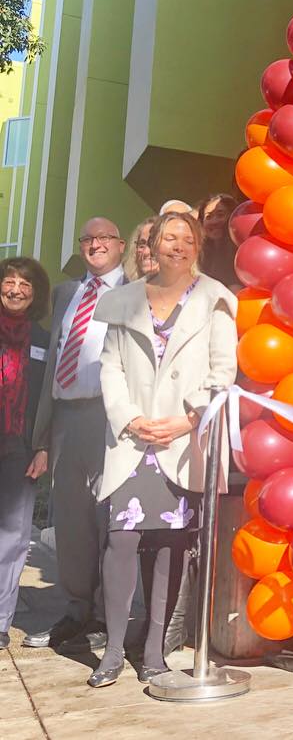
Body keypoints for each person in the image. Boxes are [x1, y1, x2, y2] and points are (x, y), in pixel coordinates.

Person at [87, 211, 237, 687]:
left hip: (180, 439)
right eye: (168, 237)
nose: (177, 245)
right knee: (122, 540)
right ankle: (112, 651)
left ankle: (154, 653)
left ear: (197, 246)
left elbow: (223, 371)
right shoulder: (123, 299)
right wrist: (129, 417)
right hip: (133, 438)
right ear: (150, 243)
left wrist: (188, 419)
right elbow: (109, 366)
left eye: (186, 238)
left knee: (170, 548)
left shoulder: (216, 299)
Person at [23, 218, 126, 653]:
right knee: (69, 520)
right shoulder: (67, 293)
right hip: (65, 417)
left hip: (108, 418)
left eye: (104, 238)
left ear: (121, 246)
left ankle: (106, 614)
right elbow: (50, 370)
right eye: (87, 239)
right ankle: (76, 607)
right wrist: (43, 435)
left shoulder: (136, 293)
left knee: (108, 518)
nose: (96, 244)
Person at [0, 258, 51, 650]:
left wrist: (44, 446)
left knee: (14, 538)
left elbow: (49, 400)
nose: (16, 289)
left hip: (20, 447)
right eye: (9, 281)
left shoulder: (42, 339)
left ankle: (1, 620)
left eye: (25, 284)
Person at [198, 193, 239, 288]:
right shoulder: (200, 255)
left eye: (220, 215)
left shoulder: (240, 253)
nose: (214, 221)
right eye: (208, 217)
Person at [123, 216, 158, 281]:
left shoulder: (181, 290)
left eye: (153, 244)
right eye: (141, 245)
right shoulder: (124, 288)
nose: (146, 252)